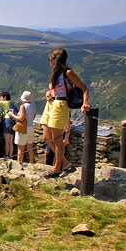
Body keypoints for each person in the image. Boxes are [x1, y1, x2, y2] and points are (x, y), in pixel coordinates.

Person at [41, 47, 90, 178]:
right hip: (51, 104)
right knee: (46, 137)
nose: (49, 62)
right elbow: (53, 89)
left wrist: (85, 103)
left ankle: (57, 168)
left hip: (60, 105)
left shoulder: (68, 72)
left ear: (56, 60)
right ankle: (65, 163)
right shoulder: (56, 73)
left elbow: (84, 88)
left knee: (57, 140)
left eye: (50, 59)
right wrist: (48, 93)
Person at [7, 91, 37, 163]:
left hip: (23, 129)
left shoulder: (23, 106)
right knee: (30, 147)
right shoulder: (34, 106)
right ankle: (32, 163)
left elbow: (21, 118)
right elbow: (33, 117)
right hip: (31, 127)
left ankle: (19, 164)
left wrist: (12, 115)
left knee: (21, 148)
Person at [0, 92, 15, 159]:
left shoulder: (4, 102)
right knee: (11, 142)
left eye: (1, 97)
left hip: (7, 121)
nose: (0, 99)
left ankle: (6, 155)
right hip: (12, 122)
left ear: (4, 97)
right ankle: (11, 156)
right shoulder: (11, 103)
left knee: (7, 142)